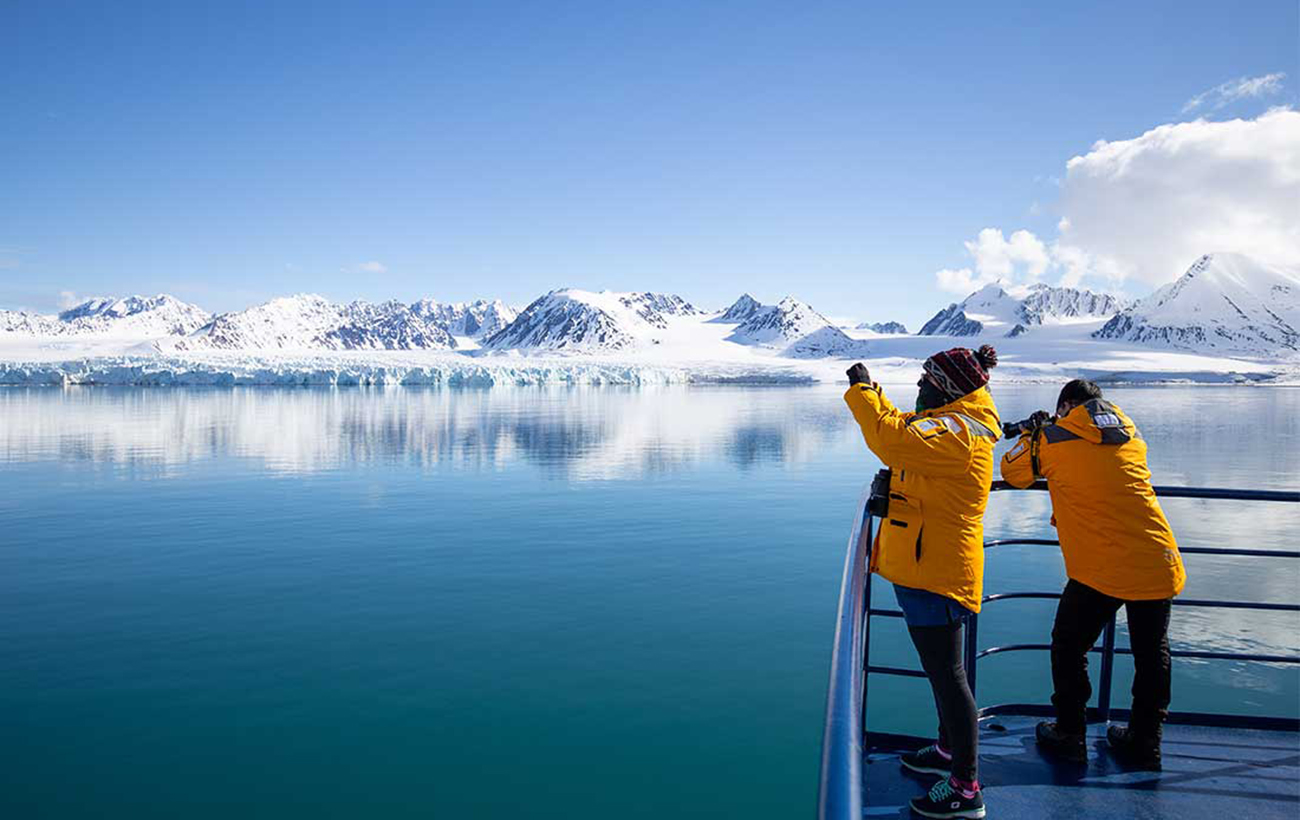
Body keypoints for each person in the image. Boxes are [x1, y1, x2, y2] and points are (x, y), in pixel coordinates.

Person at [844, 346, 1000, 820]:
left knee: (949, 677)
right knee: (942, 672)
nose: (919, 387)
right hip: (926, 563)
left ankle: (965, 788)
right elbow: (907, 433)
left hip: (938, 570)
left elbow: (893, 442)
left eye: (926, 380)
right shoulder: (950, 422)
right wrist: (875, 395)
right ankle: (948, 752)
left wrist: (863, 394)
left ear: (947, 388)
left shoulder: (956, 432)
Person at [1000, 379, 1185, 770]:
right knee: (1152, 655)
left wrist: (1034, 435)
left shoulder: (1053, 439)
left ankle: (1070, 734)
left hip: (1100, 565)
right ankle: (1145, 741)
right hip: (1156, 556)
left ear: (1066, 405)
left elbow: (1013, 472)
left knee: (1069, 646)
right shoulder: (1131, 432)